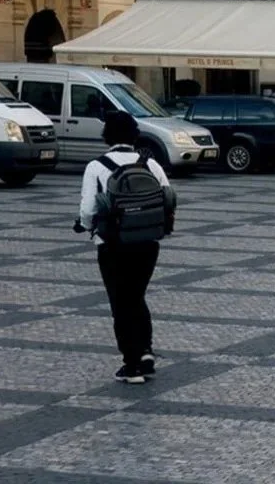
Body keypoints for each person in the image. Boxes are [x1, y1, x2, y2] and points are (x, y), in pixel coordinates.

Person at [78, 110, 173, 383]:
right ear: (134, 135)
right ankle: (144, 350)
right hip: (147, 243)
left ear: (107, 136)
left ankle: (132, 365)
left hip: (113, 244)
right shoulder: (150, 164)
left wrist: (87, 226)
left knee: (121, 302)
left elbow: (87, 208)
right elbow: (167, 197)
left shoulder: (97, 166)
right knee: (136, 296)